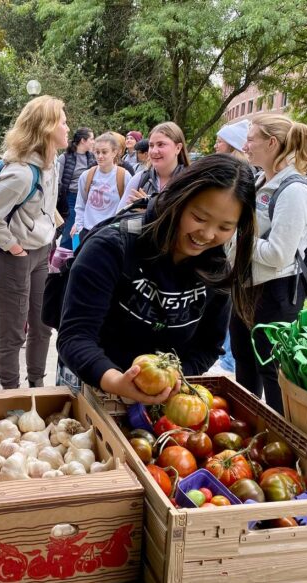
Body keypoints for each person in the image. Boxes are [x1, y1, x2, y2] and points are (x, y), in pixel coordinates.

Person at [57, 154, 256, 404]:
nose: (207, 234)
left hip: (165, 400)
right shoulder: (110, 247)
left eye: (225, 227)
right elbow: (76, 337)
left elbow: (208, 345)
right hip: (93, 383)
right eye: (199, 218)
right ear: (178, 199)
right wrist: (118, 382)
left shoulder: (216, 269)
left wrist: (173, 382)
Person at [0, 95, 68, 389]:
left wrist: (53, 224)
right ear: (47, 128)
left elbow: (44, 199)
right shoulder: (19, 173)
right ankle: (11, 393)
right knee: (14, 332)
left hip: (41, 253)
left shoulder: (51, 164)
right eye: (63, 123)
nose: (68, 128)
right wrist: (14, 246)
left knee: (42, 327)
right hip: (12, 257)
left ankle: (37, 388)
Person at [229, 113, 307, 414]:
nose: (246, 145)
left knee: (271, 371)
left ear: (272, 142)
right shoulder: (258, 181)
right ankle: (245, 425)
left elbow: (280, 254)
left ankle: (282, 442)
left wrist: (236, 239)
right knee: (244, 365)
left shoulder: (294, 190)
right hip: (245, 289)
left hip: (276, 294)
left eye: (251, 138)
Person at [213, 119, 251, 373]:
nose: (216, 145)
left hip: (236, 256)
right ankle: (227, 356)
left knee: (230, 303)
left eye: (220, 141)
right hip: (227, 253)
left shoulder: (240, 177)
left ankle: (228, 360)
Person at [71, 133, 132, 241]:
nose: (100, 156)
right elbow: (80, 205)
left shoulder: (124, 176)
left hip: (111, 234)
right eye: (97, 152)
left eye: (104, 152)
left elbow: (129, 208)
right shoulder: (87, 176)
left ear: (114, 152)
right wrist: (79, 227)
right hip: (87, 232)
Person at [117, 122, 190, 211]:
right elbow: (119, 217)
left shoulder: (190, 182)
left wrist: (148, 211)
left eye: (161, 144)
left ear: (178, 148)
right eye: (151, 145)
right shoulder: (140, 179)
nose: (154, 151)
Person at [57, 128, 96, 249]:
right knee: (70, 231)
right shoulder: (65, 157)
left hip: (88, 198)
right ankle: (63, 262)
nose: (93, 142)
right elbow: (58, 181)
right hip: (71, 198)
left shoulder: (93, 158)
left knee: (85, 230)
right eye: (92, 139)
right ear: (83, 140)